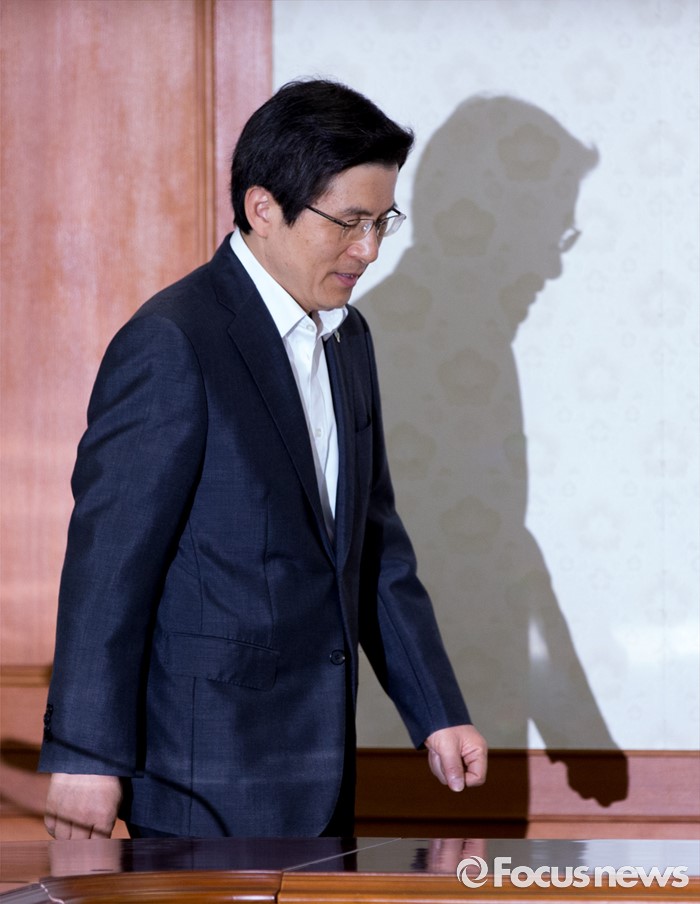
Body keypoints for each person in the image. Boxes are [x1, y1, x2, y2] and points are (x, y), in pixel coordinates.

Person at [39, 79, 487, 840]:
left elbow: (371, 543)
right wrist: (85, 757)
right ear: (262, 207)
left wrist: (436, 709)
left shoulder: (348, 339)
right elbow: (108, 568)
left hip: (323, 767)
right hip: (201, 774)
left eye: (382, 222)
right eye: (349, 222)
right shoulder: (174, 341)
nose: (369, 250)